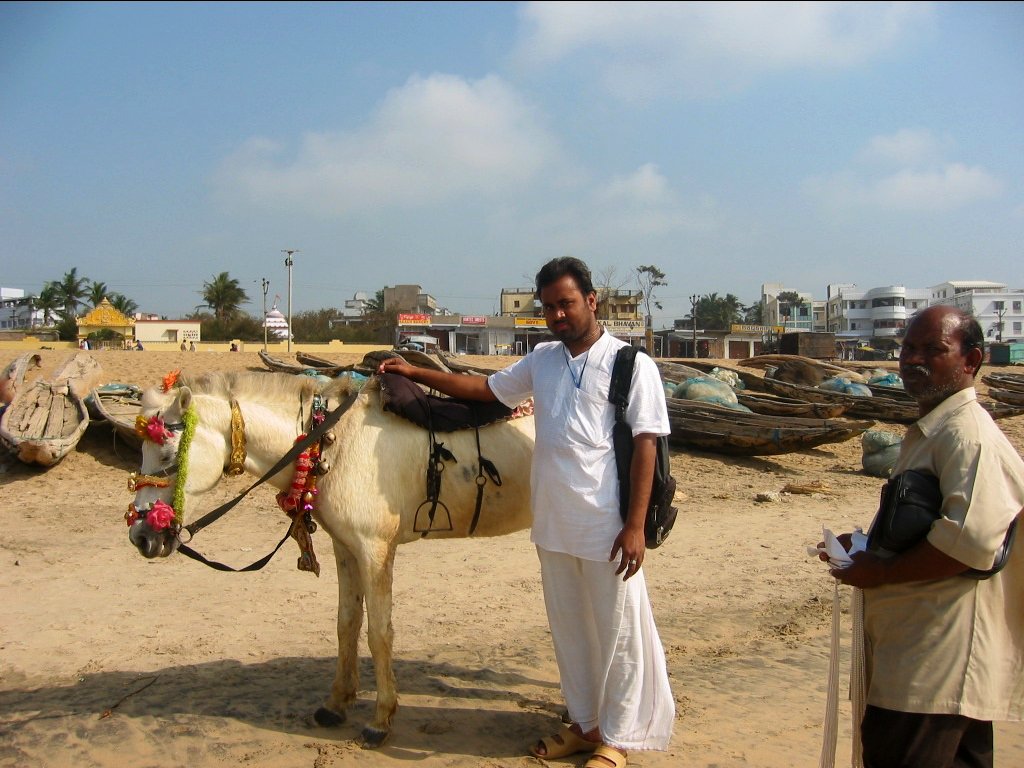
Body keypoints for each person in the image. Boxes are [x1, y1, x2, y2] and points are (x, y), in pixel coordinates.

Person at [377, 257, 674, 767]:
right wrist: (415, 373)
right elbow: (486, 391)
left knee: (618, 630)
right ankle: (585, 725)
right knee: (570, 629)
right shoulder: (543, 360)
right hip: (553, 522)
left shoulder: (631, 364)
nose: (558, 314)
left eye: (567, 303)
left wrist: (633, 527)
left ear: (591, 301)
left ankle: (618, 739)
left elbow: (647, 443)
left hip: (607, 525)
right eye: (549, 306)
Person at [826, 305, 1024, 768]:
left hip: (936, 661)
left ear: (971, 361)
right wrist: (862, 549)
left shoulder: (967, 435)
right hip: (923, 652)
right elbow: (926, 524)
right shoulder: (935, 432)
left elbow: (972, 542)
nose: (913, 360)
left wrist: (882, 571)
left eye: (933, 350)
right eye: (908, 349)